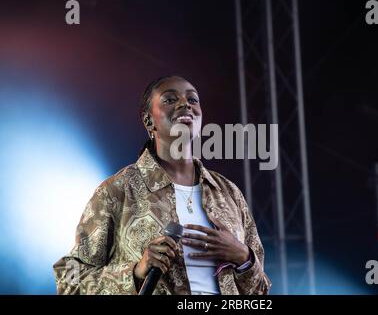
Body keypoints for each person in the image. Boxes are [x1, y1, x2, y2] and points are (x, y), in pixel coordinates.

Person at [53, 76, 271, 295]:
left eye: (193, 100)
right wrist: (136, 272)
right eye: (170, 99)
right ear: (149, 121)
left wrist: (244, 258)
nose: (185, 104)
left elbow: (261, 292)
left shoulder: (228, 192)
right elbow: (69, 280)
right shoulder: (117, 191)